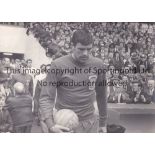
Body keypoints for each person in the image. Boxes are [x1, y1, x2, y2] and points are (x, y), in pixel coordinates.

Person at [39, 29, 107, 133]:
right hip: (64, 124)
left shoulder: (98, 64)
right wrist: (51, 125)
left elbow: (102, 94)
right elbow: (46, 97)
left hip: (90, 123)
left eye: (89, 49)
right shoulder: (58, 65)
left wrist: (103, 122)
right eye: (81, 49)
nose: (85, 53)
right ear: (72, 46)